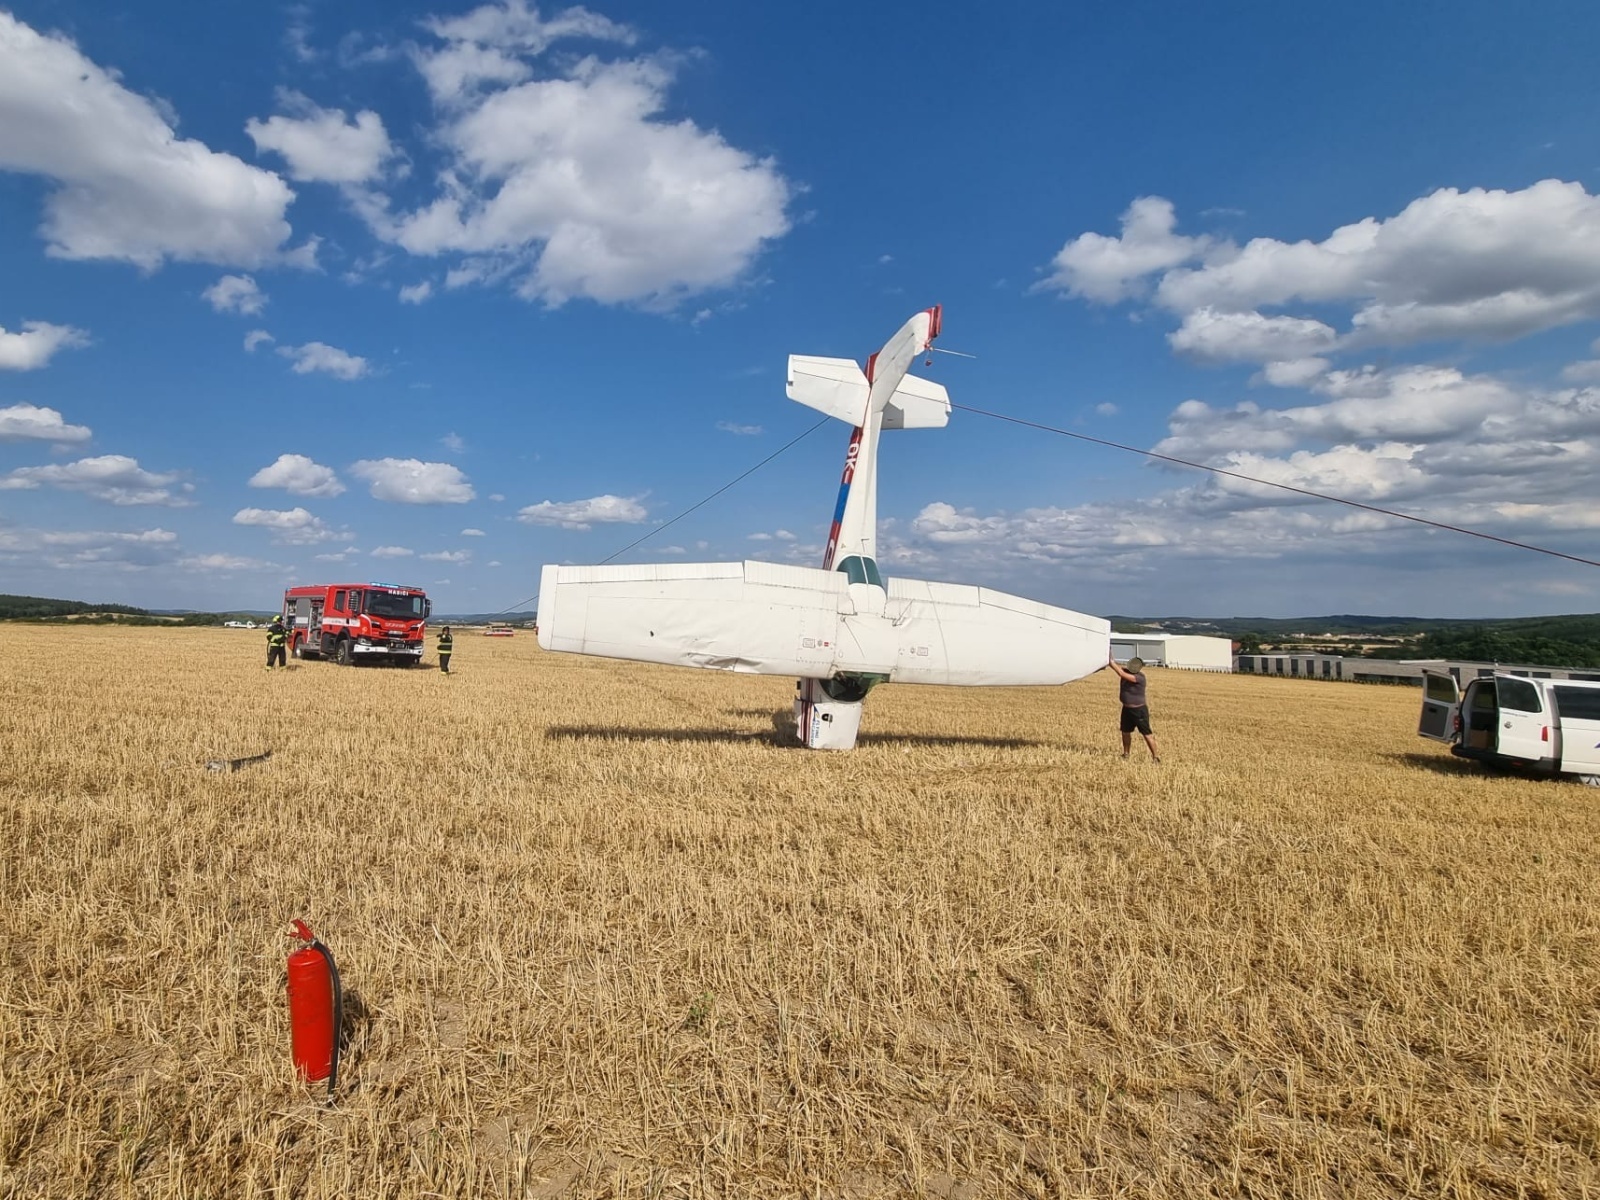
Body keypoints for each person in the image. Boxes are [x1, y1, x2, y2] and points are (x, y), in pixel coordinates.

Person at [1106, 653, 1160, 762]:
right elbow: (1117, 667)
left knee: (1146, 734)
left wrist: (1110, 661)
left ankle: (1155, 757)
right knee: (1125, 732)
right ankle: (1126, 754)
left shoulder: (1139, 677)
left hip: (1139, 710)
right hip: (1126, 709)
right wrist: (1108, 655)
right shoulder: (1126, 672)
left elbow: (1120, 672)